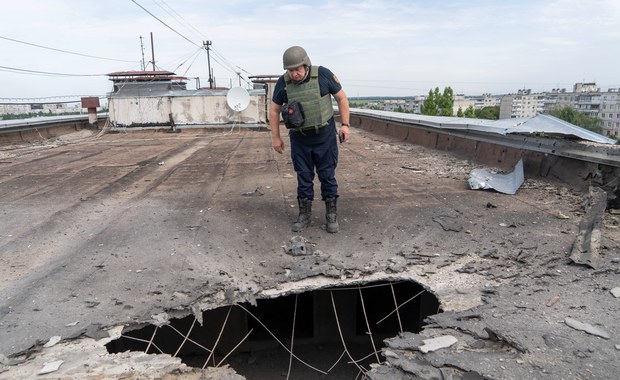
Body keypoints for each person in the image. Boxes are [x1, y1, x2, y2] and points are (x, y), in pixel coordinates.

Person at [270, 45, 350, 233]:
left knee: (327, 176)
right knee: (304, 178)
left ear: (306, 65)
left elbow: (342, 99)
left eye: (297, 69)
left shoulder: (322, 75)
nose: (294, 74)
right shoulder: (283, 83)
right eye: (290, 70)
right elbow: (274, 110)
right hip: (300, 139)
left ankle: (331, 216)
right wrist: (276, 137)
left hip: (325, 138)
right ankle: (304, 215)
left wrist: (345, 125)